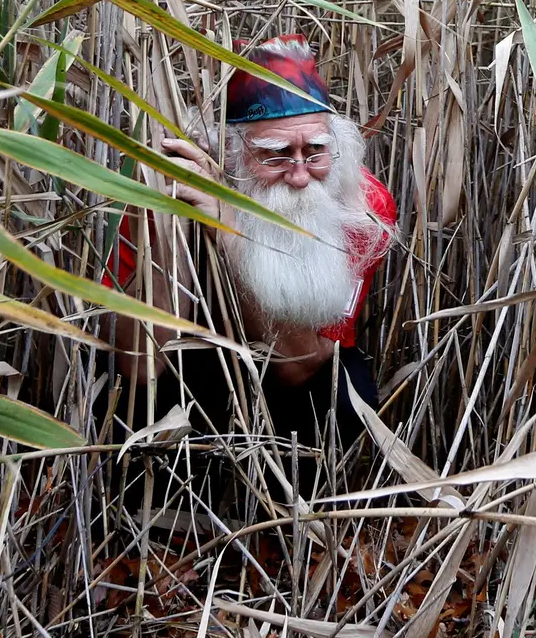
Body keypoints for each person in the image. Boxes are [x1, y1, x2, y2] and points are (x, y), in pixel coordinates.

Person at [105, 33, 397, 456]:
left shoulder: (363, 206)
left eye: (315, 151)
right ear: (229, 154)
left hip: (290, 365)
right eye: (275, 155)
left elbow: (303, 364)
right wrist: (174, 223)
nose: (300, 175)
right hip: (192, 360)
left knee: (345, 396)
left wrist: (228, 233)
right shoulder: (169, 190)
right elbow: (141, 366)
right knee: (134, 407)